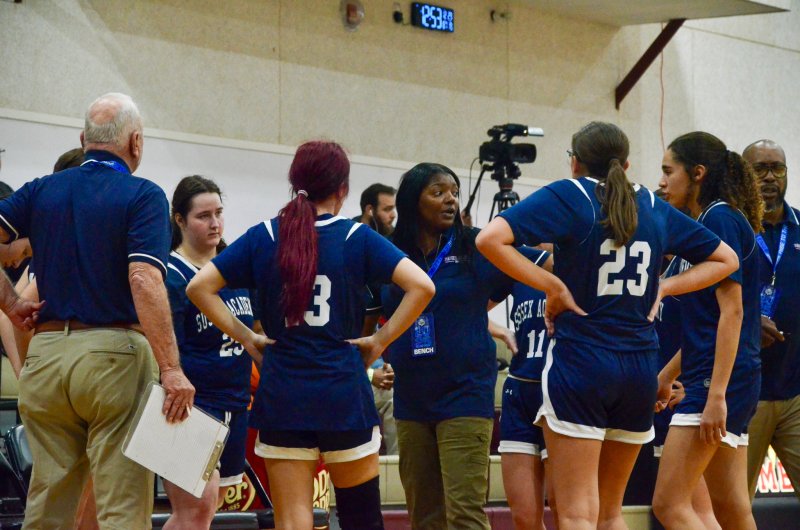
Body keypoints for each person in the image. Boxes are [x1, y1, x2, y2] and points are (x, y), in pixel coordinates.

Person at [476, 121, 737, 529]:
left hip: (581, 365)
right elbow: (726, 260)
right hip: (639, 370)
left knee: (578, 512)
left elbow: (489, 239)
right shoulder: (652, 204)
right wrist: (665, 288)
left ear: (576, 162)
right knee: (610, 513)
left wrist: (552, 285)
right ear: (627, 163)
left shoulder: (570, 194)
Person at [186, 140, 434, 530]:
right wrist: (379, 342)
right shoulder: (356, 238)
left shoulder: (264, 235)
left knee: (293, 521)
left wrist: (250, 340)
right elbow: (423, 286)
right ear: (342, 189)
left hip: (284, 390)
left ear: (294, 184)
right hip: (342, 390)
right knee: (361, 518)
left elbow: (198, 287)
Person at [0, 92, 195, 529]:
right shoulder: (143, 195)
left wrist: (12, 303)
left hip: (46, 357)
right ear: (136, 143)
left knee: (47, 505)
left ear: (84, 138)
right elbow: (143, 279)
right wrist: (171, 368)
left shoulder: (41, 189)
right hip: (114, 357)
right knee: (122, 508)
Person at [380, 162, 524, 530]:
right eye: (438, 192)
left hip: (465, 395)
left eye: (454, 192)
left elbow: (516, 278)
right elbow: (376, 313)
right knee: (425, 517)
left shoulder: (475, 245)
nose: (450, 200)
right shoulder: (388, 253)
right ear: (413, 201)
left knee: (464, 516)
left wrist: (470, 311)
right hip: (411, 400)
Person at [653, 131, 763, 529]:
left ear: (697, 173)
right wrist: (667, 376)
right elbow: (709, 324)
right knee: (730, 508)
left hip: (717, 383)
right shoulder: (707, 222)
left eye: (669, 171)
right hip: (723, 377)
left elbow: (733, 314)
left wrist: (716, 394)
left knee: (669, 504)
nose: (662, 181)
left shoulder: (719, 218)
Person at [163, 175, 255, 528]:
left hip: (236, 403)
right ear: (180, 220)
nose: (215, 223)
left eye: (219, 213)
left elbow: (256, 335)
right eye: (203, 216)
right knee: (195, 508)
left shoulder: (236, 269)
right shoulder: (170, 275)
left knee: (207, 510)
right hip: (191, 405)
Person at [742, 139, 800, 498]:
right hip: (747, 394)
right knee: (732, 506)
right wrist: (751, 322)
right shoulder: (731, 229)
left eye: (777, 168)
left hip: (795, 392)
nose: (769, 177)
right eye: (759, 169)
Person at [495, 245, 556, 530]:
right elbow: (466, 309)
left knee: (565, 507)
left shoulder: (575, 270)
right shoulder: (518, 269)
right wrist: (502, 331)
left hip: (559, 393)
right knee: (523, 517)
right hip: (519, 390)